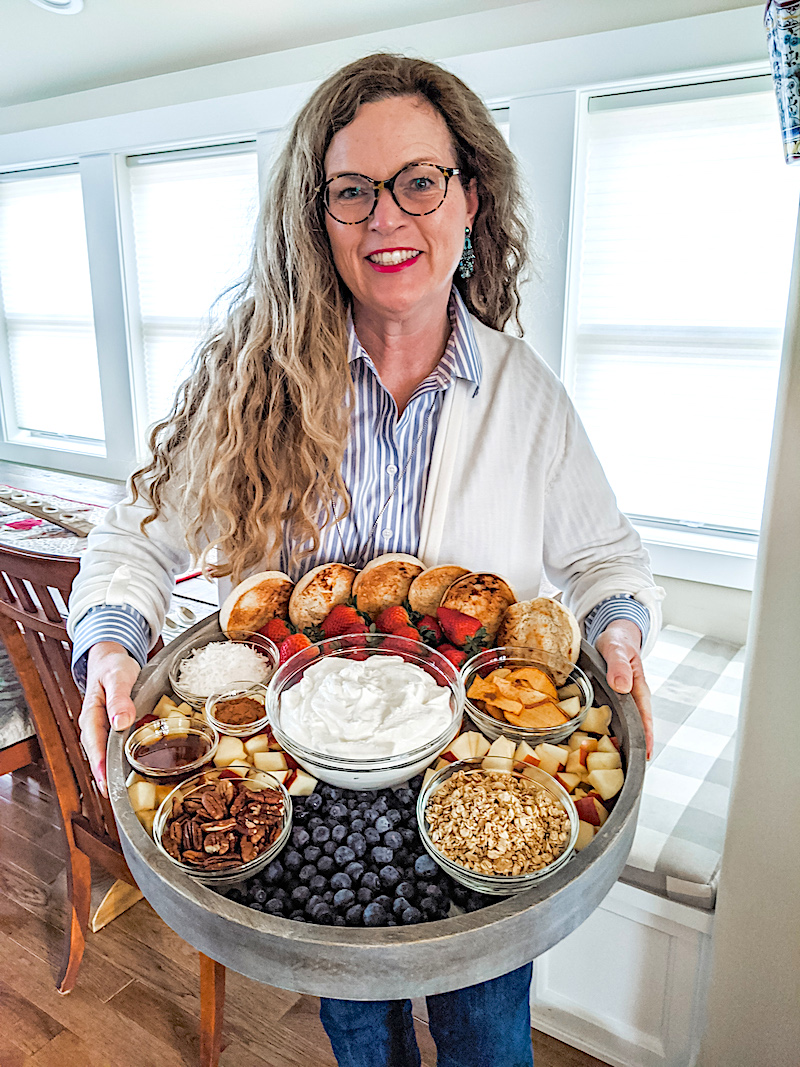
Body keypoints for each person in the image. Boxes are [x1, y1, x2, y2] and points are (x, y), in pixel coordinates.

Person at [69, 53, 662, 1067]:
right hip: (317, 803)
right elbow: (136, 531)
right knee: (359, 1033)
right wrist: (116, 643)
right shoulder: (252, 376)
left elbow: (603, 554)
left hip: (471, 792)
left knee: (486, 1038)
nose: (387, 218)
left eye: (418, 181)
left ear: (468, 198)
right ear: (318, 216)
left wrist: (615, 624)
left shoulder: (525, 395)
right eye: (352, 191)